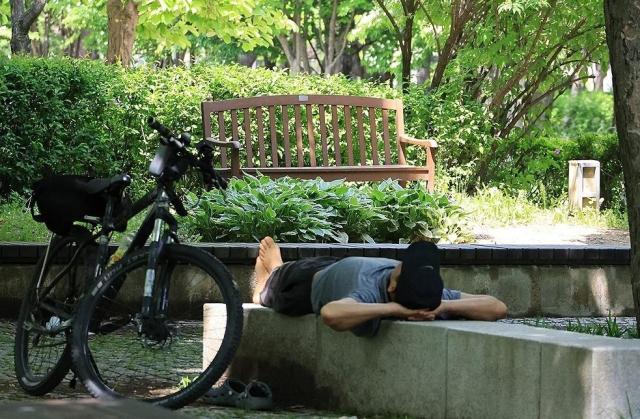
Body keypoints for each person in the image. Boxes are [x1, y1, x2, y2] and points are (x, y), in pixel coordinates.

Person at [252, 237, 508, 337]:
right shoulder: (419, 289)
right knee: (294, 271)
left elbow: (331, 313)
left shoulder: (374, 294)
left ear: (394, 287)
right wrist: (441, 306)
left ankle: (271, 275)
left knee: (266, 292)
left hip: (308, 283)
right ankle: (275, 269)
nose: (398, 266)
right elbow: (497, 306)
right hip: (329, 268)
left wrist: (395, 310)